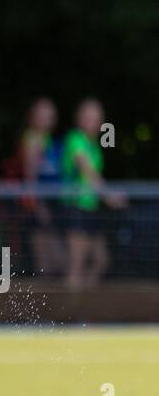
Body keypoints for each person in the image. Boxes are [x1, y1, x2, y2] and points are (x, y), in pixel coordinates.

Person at [61, 98, 125, 291]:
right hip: (74, 209)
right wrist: (109, 196)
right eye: (89, 117)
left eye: (97, 118)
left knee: (101, 261)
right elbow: (88, 173)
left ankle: (81, 312)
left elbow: (96, 176)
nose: (94, 121)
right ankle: (67, 318)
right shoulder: (75, 139)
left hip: (90, 210)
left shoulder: (94, 145)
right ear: (79, 119)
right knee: (76, 266)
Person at [15, 97, 65, 276]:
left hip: (52, 205)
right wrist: (39, 207)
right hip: (38, 207)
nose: (46, 119)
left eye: (50, 115)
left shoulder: (49, 140)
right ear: (33, 117)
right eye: (42, 115)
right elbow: (30, 178)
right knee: (45, 264)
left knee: (53, 263)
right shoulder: (33, 139)